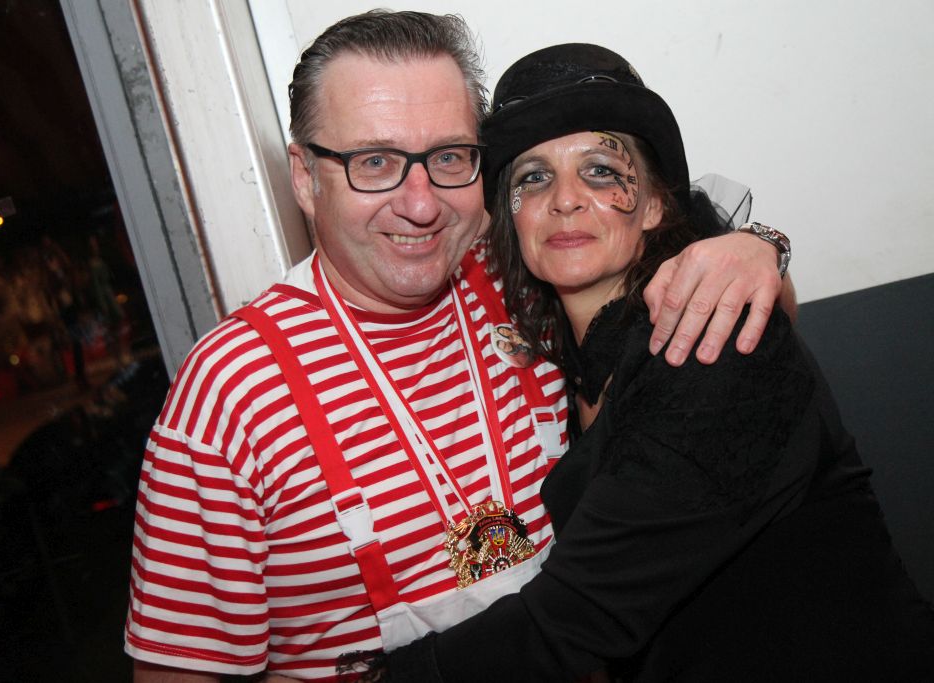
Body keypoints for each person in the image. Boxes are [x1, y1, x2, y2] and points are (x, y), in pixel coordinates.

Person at [125, 12, 791, 682]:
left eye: (447, 157)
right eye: (375, 162)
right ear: (304, 176)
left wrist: (754, 251)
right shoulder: (230, 392)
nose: (421, 205)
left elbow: (701, 302)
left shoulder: (526, 281)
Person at [376, 43, 934, 682]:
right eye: (533, 177)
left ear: (655, 205)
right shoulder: (557, 362)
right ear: (510, 216)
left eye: (600, 172)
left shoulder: (712, 349)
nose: (564, 200)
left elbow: (578, 619)